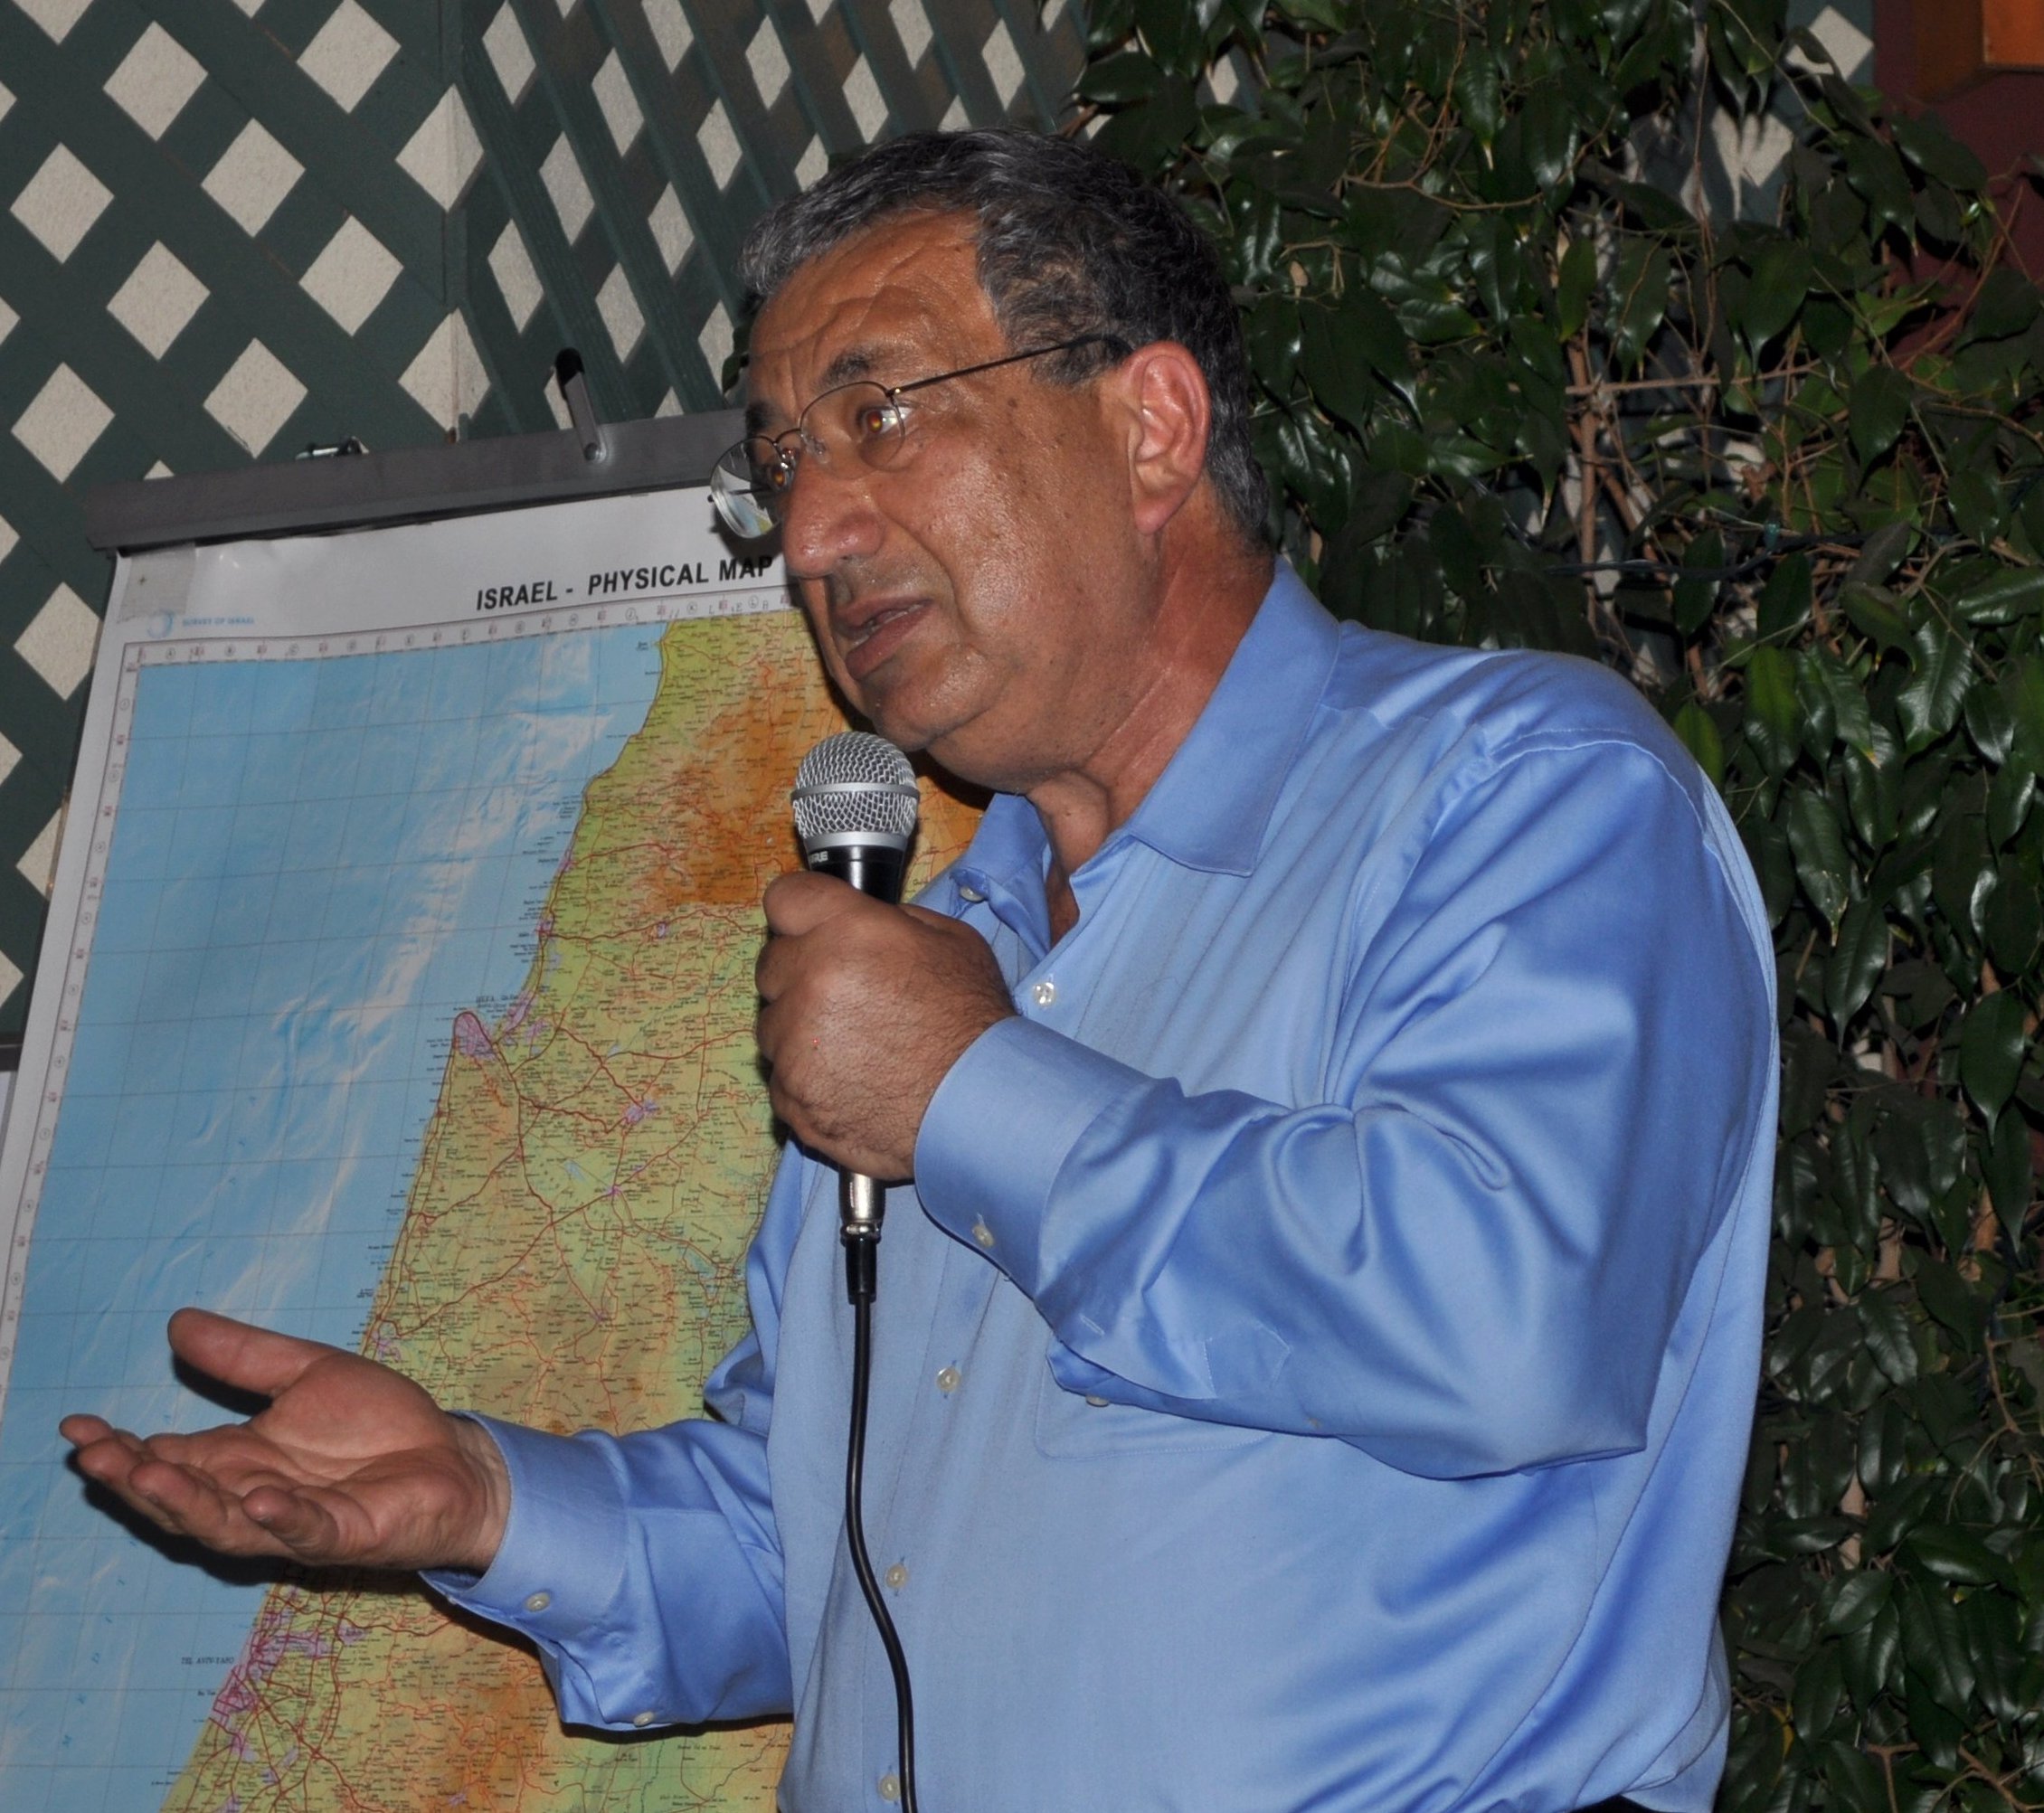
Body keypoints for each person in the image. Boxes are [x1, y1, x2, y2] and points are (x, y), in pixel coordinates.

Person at [62, 129, 1776, 1811]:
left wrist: (972, 1091)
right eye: (780, 466)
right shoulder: (938, 952)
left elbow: (1505, 1319)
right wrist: (484, 1498)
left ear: (1152, 426)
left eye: (878, 415)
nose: (810, 533)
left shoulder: (1520, 794)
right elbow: (816, 1546)